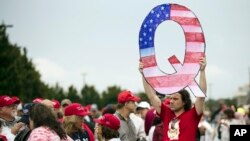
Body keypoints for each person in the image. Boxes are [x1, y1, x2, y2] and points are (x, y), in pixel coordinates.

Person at [139, 57, 207, 141]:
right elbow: (152, 96)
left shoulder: (193, 115)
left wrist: (202, 71)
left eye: (175, 99)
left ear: (184, 102)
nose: (171, 101)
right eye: (170, 98)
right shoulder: (166, 113)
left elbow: (201, 96)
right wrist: (143, 74)